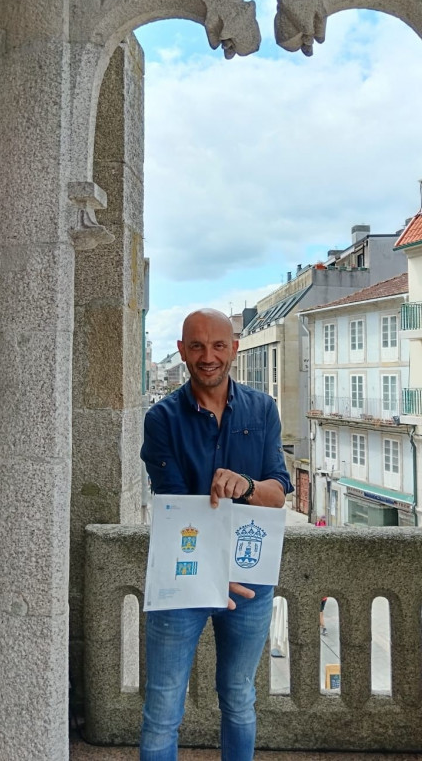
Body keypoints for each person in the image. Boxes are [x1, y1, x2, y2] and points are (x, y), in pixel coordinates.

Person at [140, 308, 293, 761]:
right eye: (198, 346)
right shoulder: (161, 419)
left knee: (239, 699)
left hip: (250, 583)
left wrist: (245, 486)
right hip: (183, 580)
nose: (209, 356)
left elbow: (278, 491)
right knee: (163, 708)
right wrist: (210, 574)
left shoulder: (263, 409)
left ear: (234, 348)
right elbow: (173, 511)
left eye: (218, 345)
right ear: (183, 351)